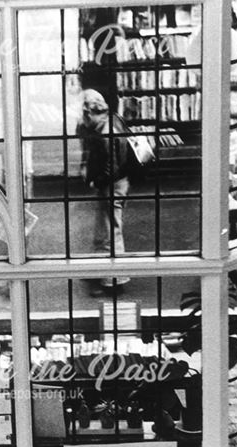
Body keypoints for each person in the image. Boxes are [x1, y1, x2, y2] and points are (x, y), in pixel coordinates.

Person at [77, 88, 132, 294]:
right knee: (104, 229)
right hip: (114, 183)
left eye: (84, 115)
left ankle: (113, 281)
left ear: (90, 112)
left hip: (113, 184)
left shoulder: (106, 131)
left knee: (111, 232)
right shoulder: (109, 122)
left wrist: (96, 181)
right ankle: (101, 271)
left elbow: (113, 167)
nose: (83, 120)